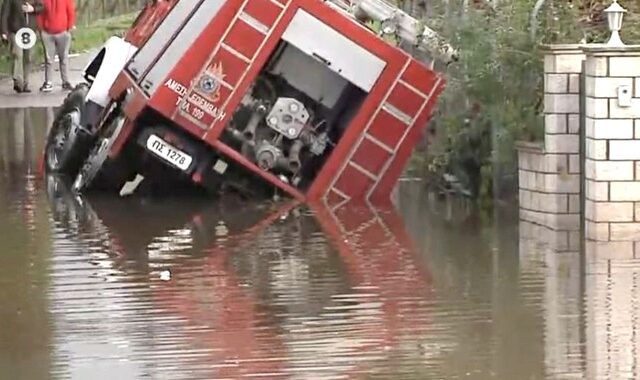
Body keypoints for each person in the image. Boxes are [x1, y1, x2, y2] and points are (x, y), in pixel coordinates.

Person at [0, 0, 44, 93]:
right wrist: (3, 31)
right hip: (15, 31)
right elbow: (4, 13)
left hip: (30, 31)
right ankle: (18, 81)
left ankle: (25, 83)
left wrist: (33, 9)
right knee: (17, 55)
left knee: (28, 57)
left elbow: (42, 7)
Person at [37, 0, 75, 92]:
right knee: (49, 59)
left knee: (64, 58)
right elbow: (40, 13)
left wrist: (69, 27)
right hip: (47, 33)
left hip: (63, 32)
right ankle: (48, 82)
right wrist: (41, 29)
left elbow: (70, 12)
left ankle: (65, 82)